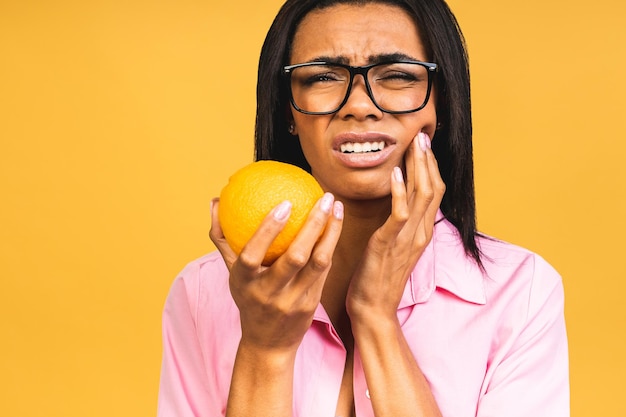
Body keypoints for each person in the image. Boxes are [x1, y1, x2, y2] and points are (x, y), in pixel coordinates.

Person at [157, 0, 570, 416]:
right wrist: (265, 349)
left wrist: (376, 318)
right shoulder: (201, 294)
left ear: (439, 106)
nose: (359, 105)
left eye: (396, 75)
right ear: (288, 109)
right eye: (323, 76)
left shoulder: (521, 295)